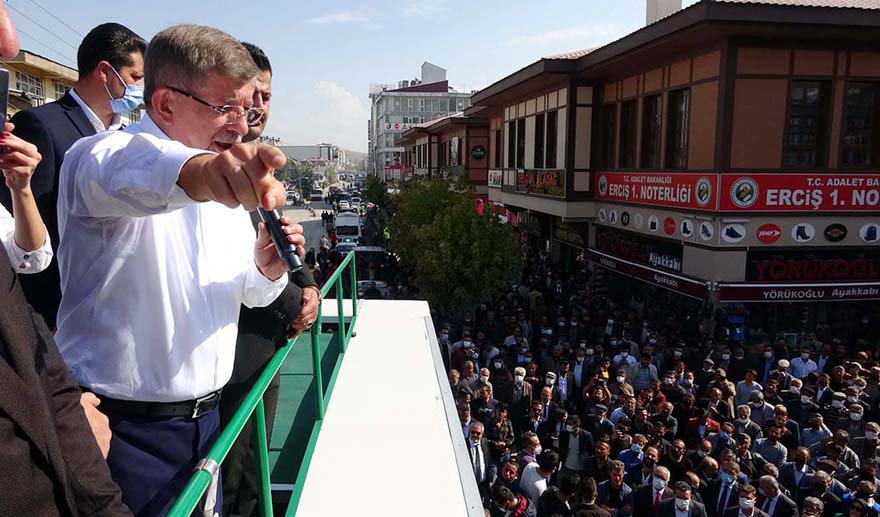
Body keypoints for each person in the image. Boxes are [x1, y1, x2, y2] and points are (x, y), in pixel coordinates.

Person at [54, 25, 305, 516]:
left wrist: (265, 268)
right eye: (224, 109)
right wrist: (204, 176)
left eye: (246, 110)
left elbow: (246, 296)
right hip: (122, 433)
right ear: (166, 104)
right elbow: (143, 170)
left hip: (209, 424)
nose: (239, 126)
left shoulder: (225, 191)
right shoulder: (99, 157)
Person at [0, 4, 130, 515]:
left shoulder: (117, 136)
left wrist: (21, 189)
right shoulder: (43, 121)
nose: (11, 41)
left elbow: (29, 254)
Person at [219, 42, 321, 517]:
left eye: (267, 96)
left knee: (254, 479)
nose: (259, 106)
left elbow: (285, 249)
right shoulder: (212, 171)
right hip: (232, 367)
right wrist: (292, 302)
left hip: (267, 352)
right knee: (236, 486)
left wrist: (311, 288)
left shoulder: (261, 171)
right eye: (252, 94)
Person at [0, 23, 146, 330]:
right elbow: (32, 224)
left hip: (116, 309)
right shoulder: (41, 125)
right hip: (61, 315)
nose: (139, 89)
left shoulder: (129, 138)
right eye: (135, 77)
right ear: (105, 72)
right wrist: (45, 317)